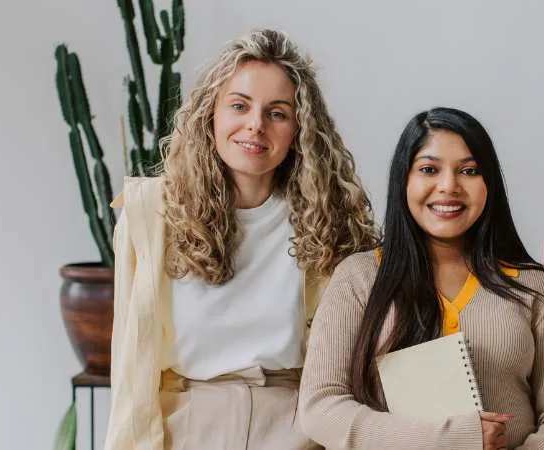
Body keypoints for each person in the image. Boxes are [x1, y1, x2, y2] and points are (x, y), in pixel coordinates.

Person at [103, 28, 378, 450]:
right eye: (239, 106)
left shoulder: (330, 223)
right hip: (186, 429)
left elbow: (353, 367)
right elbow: (130, 368)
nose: (255, 125)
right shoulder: (150, 215)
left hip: (296, 428)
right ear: (210, 113)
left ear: (299, 129)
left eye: (278, 113)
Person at [298, 107, 544, 449]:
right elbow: (320, 406)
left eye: (468, 171)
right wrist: (453, 441)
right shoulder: (359, 277)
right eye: (429, 169)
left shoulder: (533, 286)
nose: (448, 186)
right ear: (403, 180)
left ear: (490, 184)